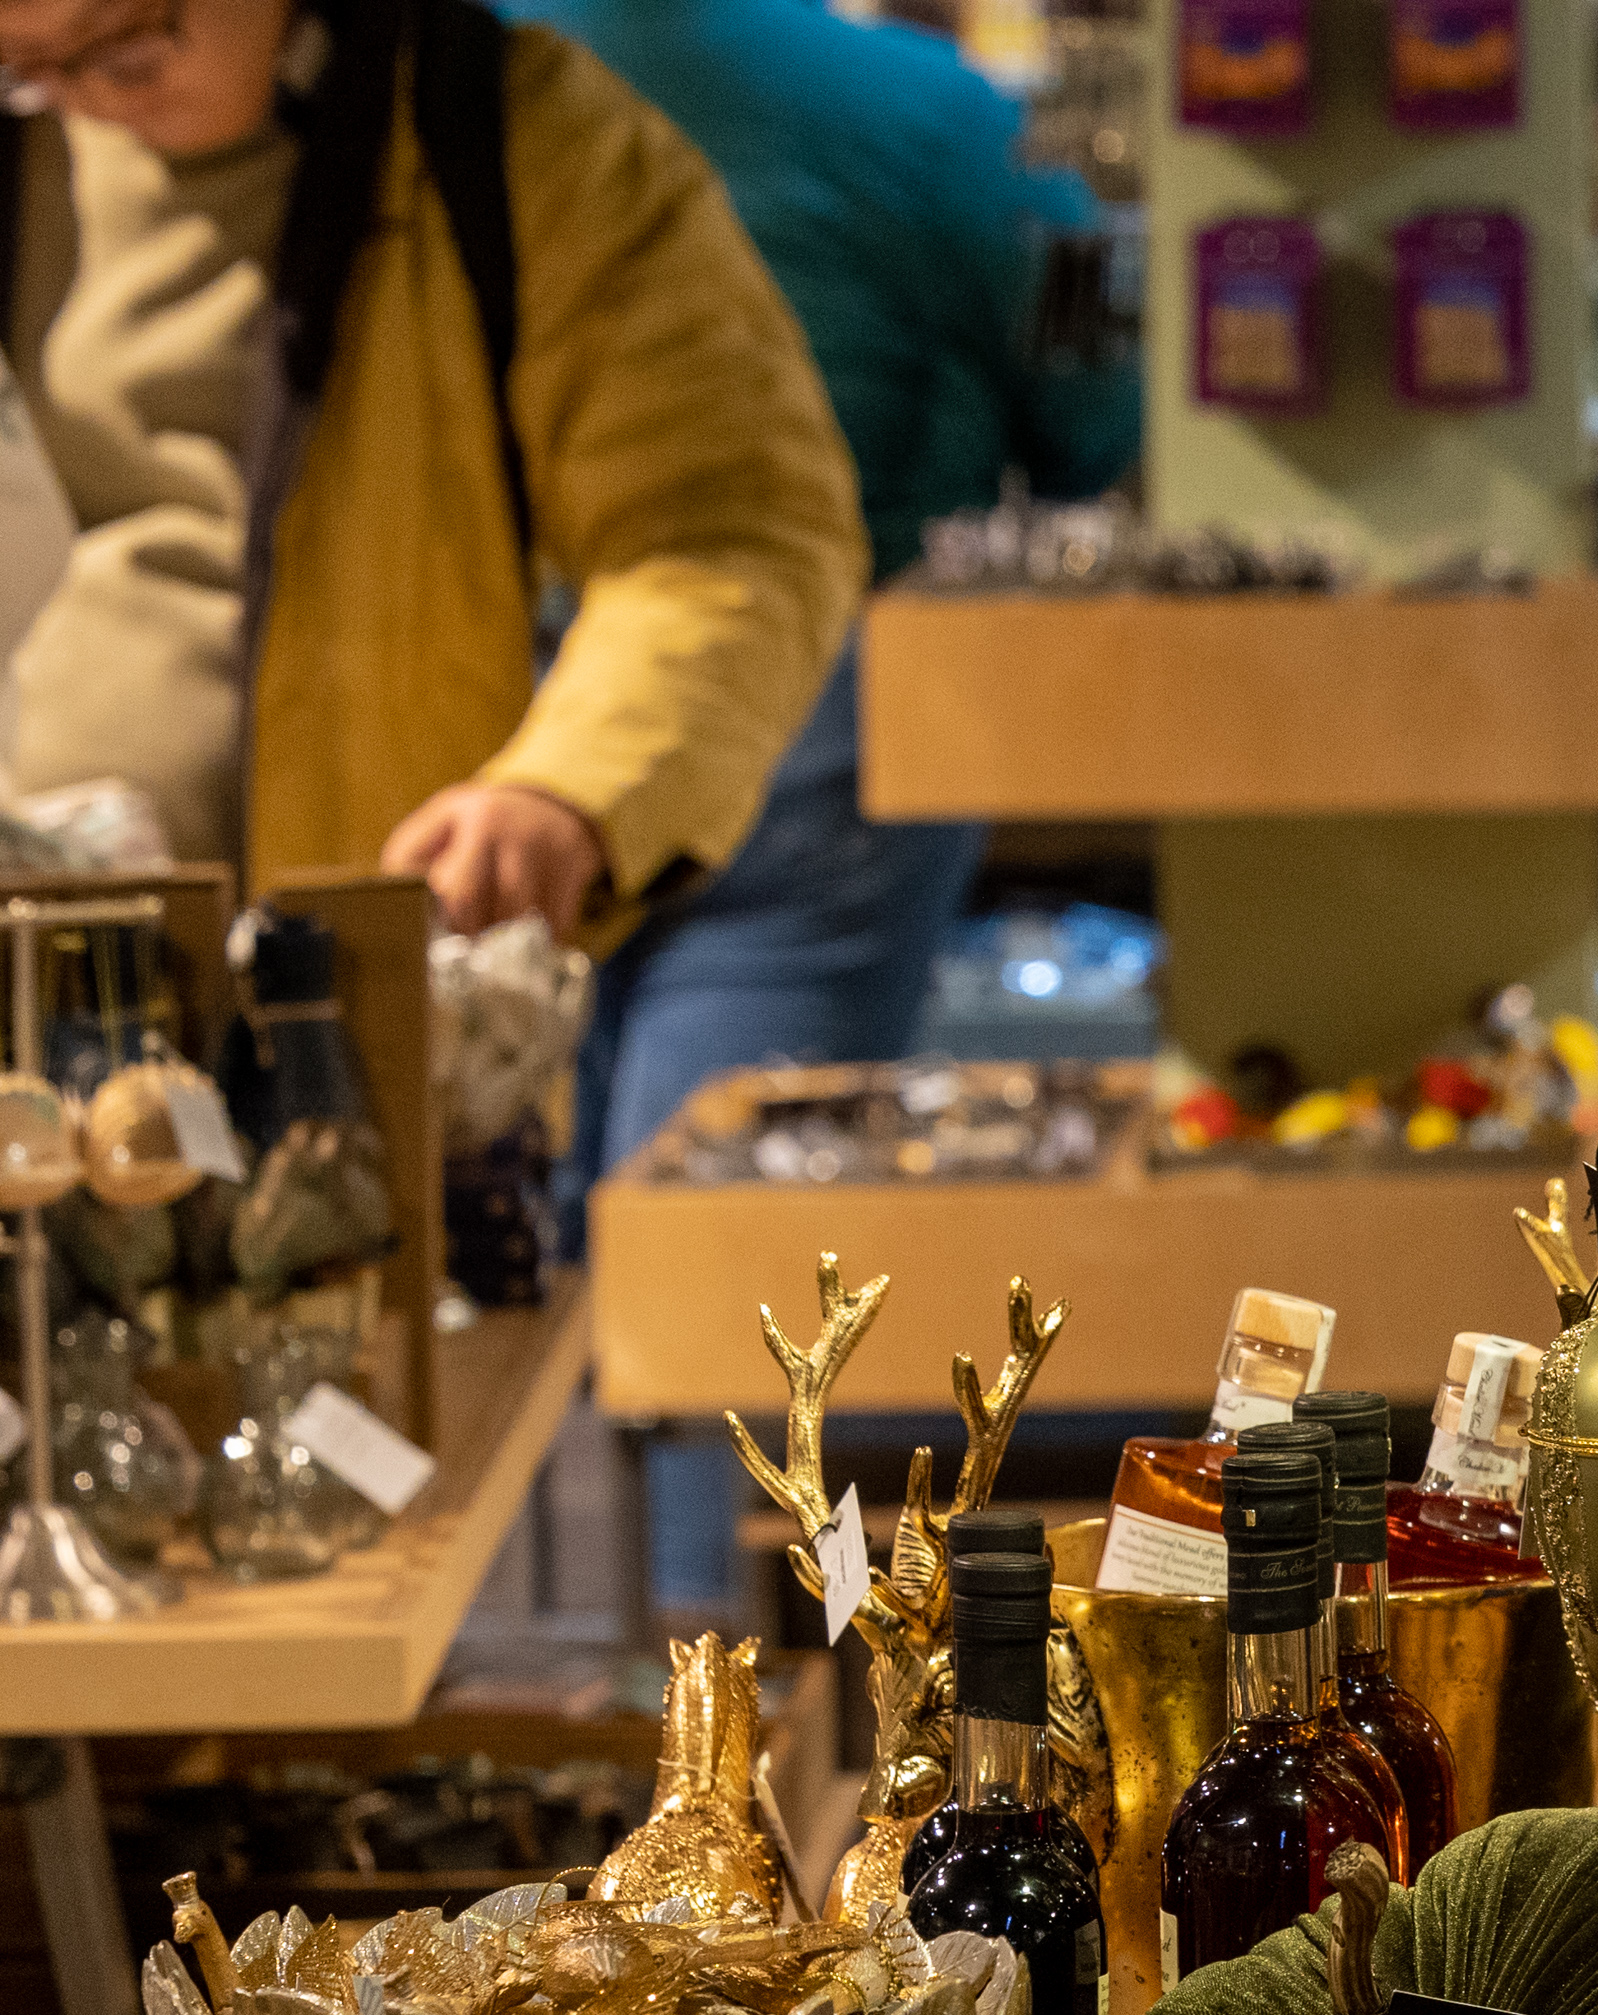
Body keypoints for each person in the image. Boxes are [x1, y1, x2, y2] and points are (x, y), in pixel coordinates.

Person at [513, 0, 1138, 1627]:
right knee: (732, 1233)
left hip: (492, 716)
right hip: (821, 716)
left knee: (528, 1205)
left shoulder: (462, 75)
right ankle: (706, 1685)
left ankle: (547, 1684)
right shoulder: (934, 115)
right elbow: (1103, 409)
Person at [0, 0, 865, 933]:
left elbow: (735, 533)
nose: (75, 99)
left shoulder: (521, 137)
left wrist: (573, 789)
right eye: (24, 64)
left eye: (126, 53)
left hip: (364, 981)